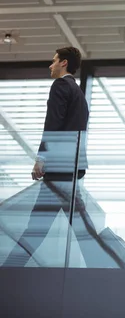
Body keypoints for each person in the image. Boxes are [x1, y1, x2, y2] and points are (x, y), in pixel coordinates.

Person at [3, 47, 101, 267]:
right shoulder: (79, 94)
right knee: (76, 224)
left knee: (38, 225)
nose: (51, 65)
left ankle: (9, 269)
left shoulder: (60, 86)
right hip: (72, 166)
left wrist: (41, 158)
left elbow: (53, 125)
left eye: (54, 61)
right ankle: (101, 266)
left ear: (64, 63)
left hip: (58, 166)